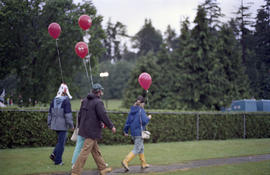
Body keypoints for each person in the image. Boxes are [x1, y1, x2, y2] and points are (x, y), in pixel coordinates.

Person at [71, 83, 116, 175]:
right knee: (85, 152)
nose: (102, 93)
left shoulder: (84, 100)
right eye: (101, 91)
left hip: (84, 129)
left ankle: (103, 168)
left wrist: (79, 126)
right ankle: (75, 172)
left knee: (95, 150)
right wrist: (111, 126)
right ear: (99, 92)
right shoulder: (98, 102)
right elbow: (103, 115)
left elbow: (80, 115)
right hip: (92, 131)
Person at [121, 95, 152, 172]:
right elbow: (144, 121)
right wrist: (148, 118)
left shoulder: (132, 110)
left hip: (133, 132)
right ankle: (125, 161)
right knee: (137, 148)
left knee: (141, 148)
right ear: (142, 103)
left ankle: (143, 163)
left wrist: (125, 131)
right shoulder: (141, 110)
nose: (144, 105)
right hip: (139, 132)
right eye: (144, 103)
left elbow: (128, 122)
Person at [47, 83, 74, 165]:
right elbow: (68, 115)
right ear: (66, 92)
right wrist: (71, 125)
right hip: (62, 125)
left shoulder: (54, 100)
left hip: (54, 124)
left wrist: (49, 123)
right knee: (61, 143)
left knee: (61, 141)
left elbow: (50, 113)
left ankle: (54, 154)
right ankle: (58, 161)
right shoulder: (66, 101)